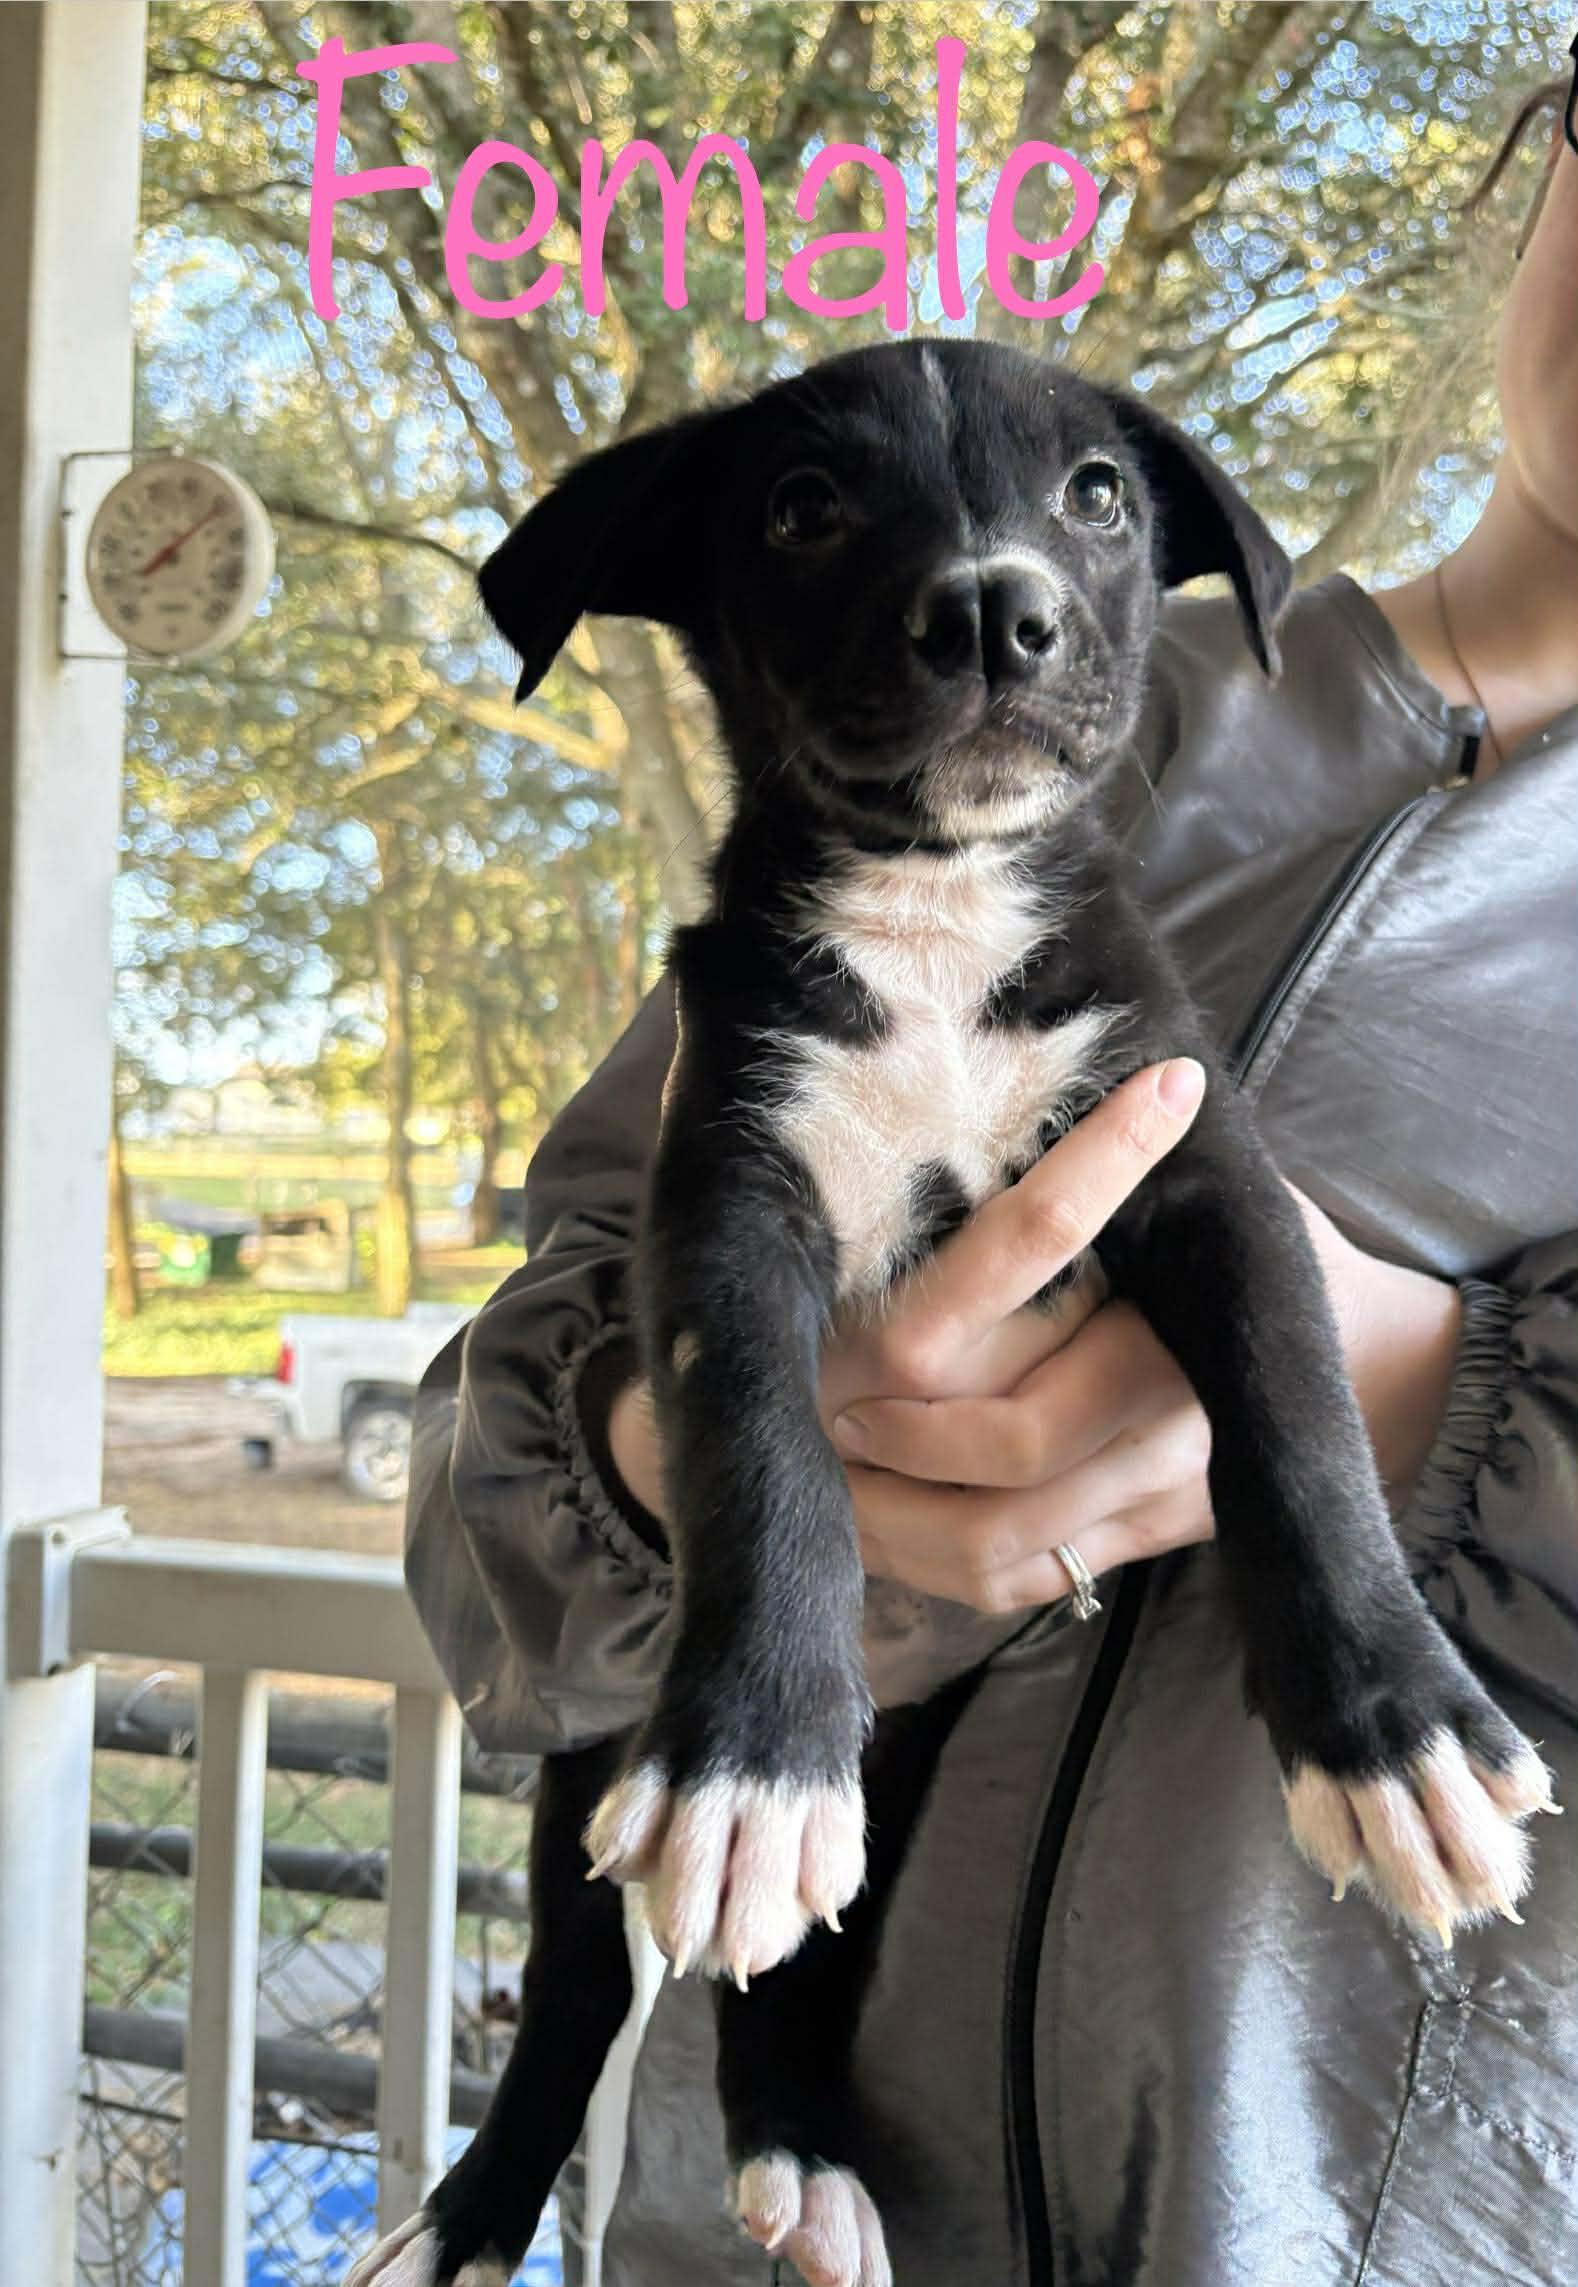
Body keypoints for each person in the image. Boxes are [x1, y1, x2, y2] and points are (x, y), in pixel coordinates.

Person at [405, 66, 1578, 2287]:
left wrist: (1408, 1394)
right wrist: (685, 1462)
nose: (989, 597)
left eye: (1077, 512)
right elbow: (486, 1490)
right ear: (1542, 159)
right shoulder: (1068, 748)